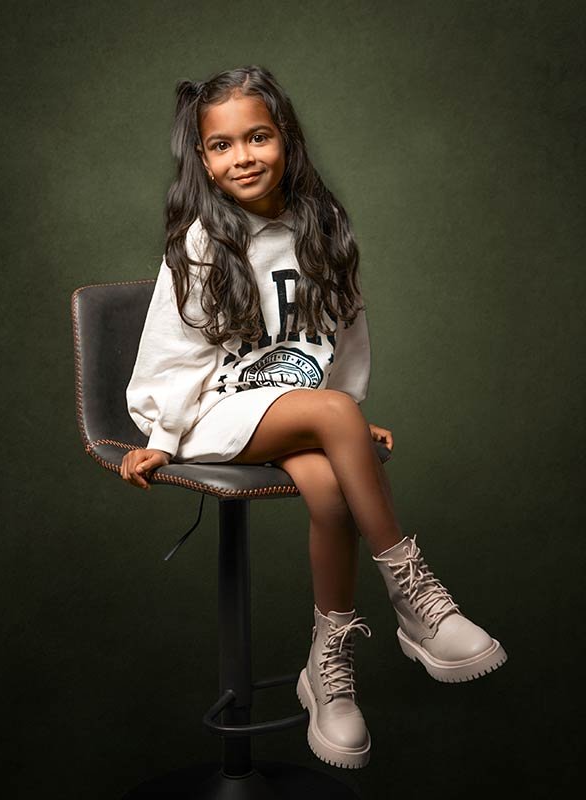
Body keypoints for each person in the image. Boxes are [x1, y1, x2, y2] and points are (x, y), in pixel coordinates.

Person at [120, 65, 507, 770]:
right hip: (215, 411)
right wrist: (161, 437)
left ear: (287, 139)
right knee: (330, 414)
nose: (242, 157)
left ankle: (327, 673)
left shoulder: (323, 228)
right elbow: (171, 352)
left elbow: (344, 334)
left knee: (329, 489)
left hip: (294, 410)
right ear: (202, 158)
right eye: (222, 145)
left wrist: (347, 419)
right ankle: (417, 603)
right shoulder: (205, 240)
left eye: (258, 136)